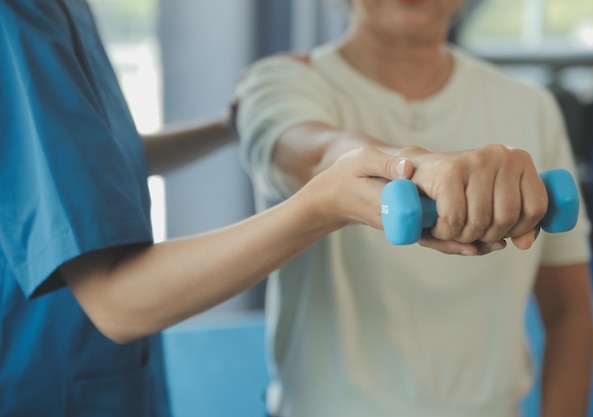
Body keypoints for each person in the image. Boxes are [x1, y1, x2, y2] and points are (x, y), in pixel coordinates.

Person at [0, 1, 424, 416]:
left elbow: (94, 168)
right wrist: (323, 204)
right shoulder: (18, 19)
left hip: (107, 380)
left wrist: (227, 126)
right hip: (46, 382)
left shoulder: (65, 10)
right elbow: (115, 304)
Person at [235, 0, 593, 416]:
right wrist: (417, 168)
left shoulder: (532, 107)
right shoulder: (279, 83)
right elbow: (310, 154)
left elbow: (569, 314)